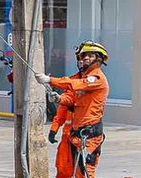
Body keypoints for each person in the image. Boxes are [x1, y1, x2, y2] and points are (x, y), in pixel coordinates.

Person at [35, 41, 110, 178]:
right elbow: (71, 100)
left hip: (89, 136)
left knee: (85, 172)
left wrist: (50, 80)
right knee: (66, 169)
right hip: (76, 135)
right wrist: (59, 99)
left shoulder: (96, 78)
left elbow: (73, 84)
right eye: (82, 56)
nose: (85, 59)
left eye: (89, 55)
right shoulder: (80, 78)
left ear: (99, 59)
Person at [50, 90, 78, 178]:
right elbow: (60, 117)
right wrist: (53, 131)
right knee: (63, 168)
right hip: (67, 139)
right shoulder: (67, 96)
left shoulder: (89, 96)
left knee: (82, 170)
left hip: (83, 139)